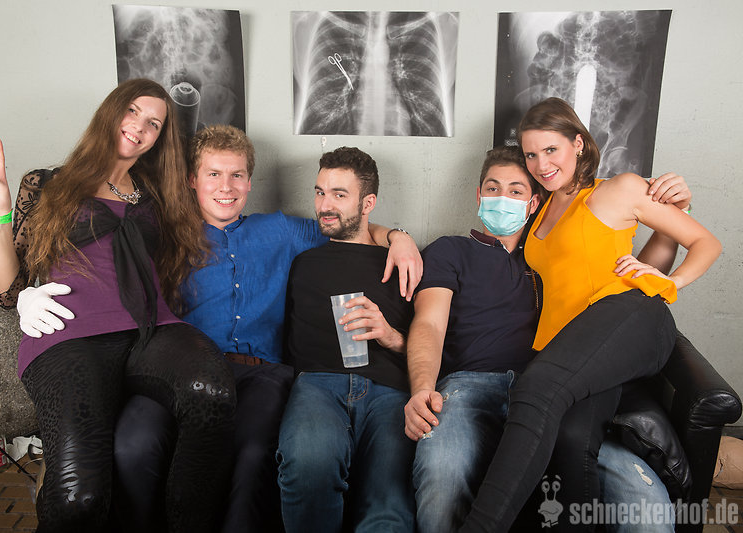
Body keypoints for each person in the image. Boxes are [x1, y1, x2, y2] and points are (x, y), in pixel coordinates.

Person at [17, 124, 422, 532]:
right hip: (175, 372)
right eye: (213, 174)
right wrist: (28, 293)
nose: (225, 187)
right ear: (192, 181)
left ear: (249, 182)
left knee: (252, 453)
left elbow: (343, 225)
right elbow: (99, 271)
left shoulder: (280, 230)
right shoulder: (164, 234)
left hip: (260, 374)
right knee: (133, 444)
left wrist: (398, 236)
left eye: (236, 175)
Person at [0, 79, 236, 532]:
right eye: (132, 111)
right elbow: (8, 290)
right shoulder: (47, 183)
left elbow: (216, 212)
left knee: (212, 393)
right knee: (80, 499)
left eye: (154, 123)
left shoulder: (157, 193)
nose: (140, 126)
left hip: (152, 331)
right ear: (111, 111)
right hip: (72, 336)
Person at [460, 97, 722, 532]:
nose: (541, 164)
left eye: (551, 150)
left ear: (578, 143)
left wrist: (671, 279)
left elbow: (707, 243)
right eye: (531, 154)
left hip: (630, 317)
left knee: (535, 389)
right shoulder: (541, 207)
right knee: (570, 439)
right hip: (576, 346)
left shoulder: (617, 189)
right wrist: (394, 236)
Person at [404, 145, 690, 533]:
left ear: (534, 202)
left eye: (516, 191)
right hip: (470, 387)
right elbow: (429, 324)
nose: (502, 198)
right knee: (442, 477)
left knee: (644, 502)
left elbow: (637, 283)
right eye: (493, 188)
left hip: (559, 395)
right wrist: (422, 388)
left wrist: (670, 217)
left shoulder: (555, 253)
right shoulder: (450, 250)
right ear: (479, 195)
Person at [276, 147, 416, 532]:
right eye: (320, 192)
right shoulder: (303, 262)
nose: (325, 205)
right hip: (318, 384)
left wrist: (389, 335)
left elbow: (431, 346)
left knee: (390, 500)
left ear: (368, 203)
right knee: (308, 466)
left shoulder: (402, 262)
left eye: (339, 194)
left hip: (389, 388)